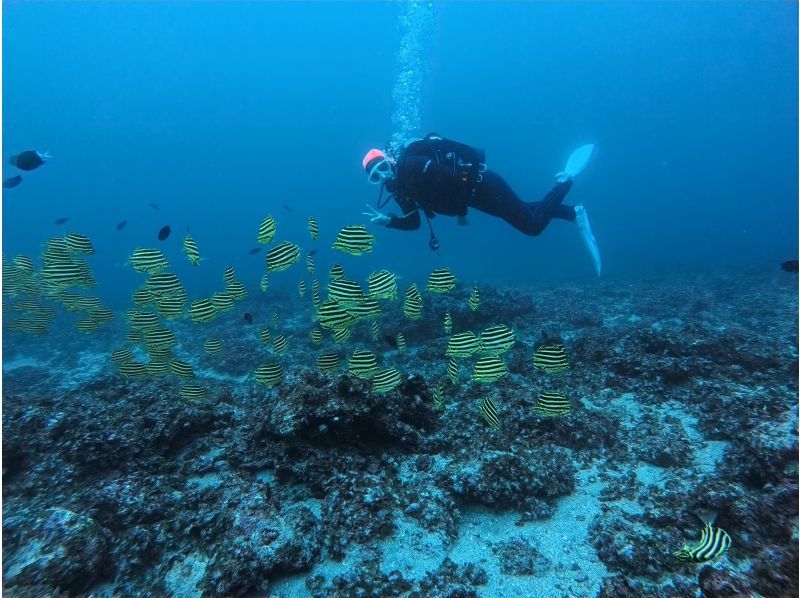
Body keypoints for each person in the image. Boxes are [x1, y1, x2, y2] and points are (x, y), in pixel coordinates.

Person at [361, 133, 601, 276]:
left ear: (389, 159)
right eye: (375, 177)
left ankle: (565, 182)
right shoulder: (400, 191)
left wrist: (460, 211)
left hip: (485, 186)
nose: (383, 175)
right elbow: (414, 223)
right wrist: (389, 221)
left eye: (382, 167)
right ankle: (572, 213)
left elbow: (454, 180)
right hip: (476, 199)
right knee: (528, 211)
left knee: (533, 226)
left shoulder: (413, 165)